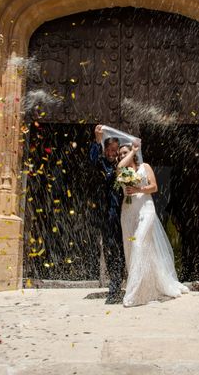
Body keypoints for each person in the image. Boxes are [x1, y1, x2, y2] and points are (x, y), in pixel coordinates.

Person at [117, 142, 188, 307]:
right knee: (132, 249)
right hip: (128, 212)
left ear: (133, 153)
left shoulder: (144, 167)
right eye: (120, 154)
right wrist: (129, 154)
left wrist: (138, 190)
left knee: (139, 244)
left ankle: (134, 294)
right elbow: (120, 164)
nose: (122, 156)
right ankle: (146, 285)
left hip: (146, 210)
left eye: (124, 152)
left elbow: (154, 187)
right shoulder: (121, 170)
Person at [89, 125, 125, 304]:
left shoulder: (123, 164)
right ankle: (115, 285)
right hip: (107, 213)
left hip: (123, 213)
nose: (112, 153)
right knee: (110, 249)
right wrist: (97, 139)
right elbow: (92, 160)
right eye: (109, 150)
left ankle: (119, 285)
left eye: (114, 150)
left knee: (122, 249)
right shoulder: (102, 163)